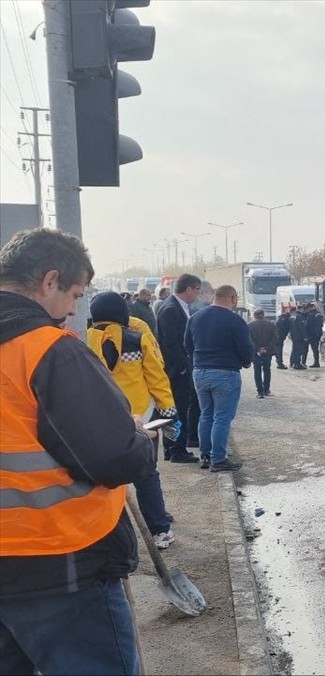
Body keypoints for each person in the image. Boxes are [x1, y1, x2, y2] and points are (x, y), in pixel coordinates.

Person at [0, 228, 156, 675]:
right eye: (73, 294)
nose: (72, 310)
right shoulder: (49, 351)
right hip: (58, 567)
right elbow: (114, 459)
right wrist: (139, 439)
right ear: (49, 282)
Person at [86, 291, 178, 549]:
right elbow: (155, 375)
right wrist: (168, 410)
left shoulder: (81, 340)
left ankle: (104, 536)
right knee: (147, 475)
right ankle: (160, 531)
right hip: (142, 418)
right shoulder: (137, 339)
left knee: (104, 479)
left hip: (99, 420)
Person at [184, 284, 253, 471]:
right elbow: (245, 348)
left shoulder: (195, 318)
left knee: (206, 414)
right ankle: (219, 459)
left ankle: (205, 455)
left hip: (200, 372)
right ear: (232, 298)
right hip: (225, 373)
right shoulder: (235, 320)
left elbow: (187, 345)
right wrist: (246, 362)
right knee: (222, 417)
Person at [155, 274, 204, 463]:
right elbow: (170, 343)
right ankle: (176, 450)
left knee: (177, 410)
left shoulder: (178, 307)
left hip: (180, 367)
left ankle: (173, 448)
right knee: (178, 410)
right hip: (177, 370)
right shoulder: (170, 309)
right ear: (189, 289)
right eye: (197, 289)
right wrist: (183, 367)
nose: (198, 294)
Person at [247, 308, 277, 398]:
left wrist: (257, 349)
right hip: (268, 351)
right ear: (263, 315)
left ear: (254, 315)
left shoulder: (250, 325)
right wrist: (267, 348)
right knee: (267, 370)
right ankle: (267, 390)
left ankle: (260, 392)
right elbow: (275, 338)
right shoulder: (271, 325)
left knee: (257, 371)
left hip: (256, 352)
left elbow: (250, 339)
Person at [288, 304, 308, 369]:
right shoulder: (300, 317)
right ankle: (297, 364)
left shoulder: (292, 316)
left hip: (294, 335)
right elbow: (302, 328)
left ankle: (292, 362)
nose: (304, 311)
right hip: (299, 336)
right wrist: (305, 336)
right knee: (298, 350)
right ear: (300, 309)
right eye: (303, 309)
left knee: (294, 350)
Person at [305, 303, 324, 368]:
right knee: (315, 349)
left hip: (312, 334)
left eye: (308, 308)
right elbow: (321, 324)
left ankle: (316, 363)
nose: (307, 310)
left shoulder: (311, 315)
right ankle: (316, 362)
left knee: (314, 349)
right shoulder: (318, 314)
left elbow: (309, 325)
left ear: (311, 307)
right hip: (317, 334)